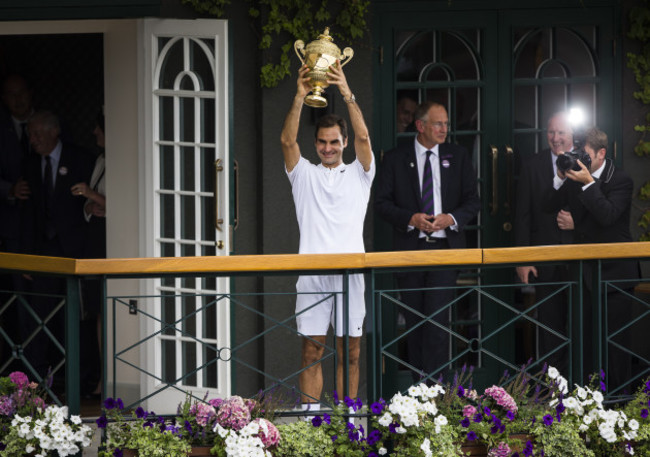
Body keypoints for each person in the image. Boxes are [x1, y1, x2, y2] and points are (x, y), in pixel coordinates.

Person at [280, 62, 374, 411]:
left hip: (351, 274)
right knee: (311, 350)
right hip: (313, 274)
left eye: (334, 142)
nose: (328, 148)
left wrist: (347, 92)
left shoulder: (361, 173)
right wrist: (300, 95)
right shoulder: (303, 174)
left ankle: (348, 419)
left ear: (344, 142)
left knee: (351, 353)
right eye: (322, 142)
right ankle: (310, 424)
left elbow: (365, 137)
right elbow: (287, 140)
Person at [375, 101, 480, 383]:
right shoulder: (396, 159)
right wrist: (410, 218)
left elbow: (473, 200)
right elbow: (381, 204)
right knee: (414, 325)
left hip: (445, 252)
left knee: (436, 324)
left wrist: (452, 218)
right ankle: (418, 392)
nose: (445, 129)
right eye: (438, 124)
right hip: (410, 251)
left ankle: (437, 392)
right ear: (421, 126)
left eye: (446, 123)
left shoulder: (457, 155)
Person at [541, 126, 640, 388]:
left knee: (614, 348)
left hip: (615, 277)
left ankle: (617, 406)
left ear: (601, 153)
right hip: (583, 276)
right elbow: (547, 206)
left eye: (585, 155)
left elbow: (608, 216)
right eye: (578, 154)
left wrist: (588, 183)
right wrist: (561, 177)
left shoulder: (620, 180)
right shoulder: (574, 178)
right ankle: (584, 406)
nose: (581, 161)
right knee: (583, 346)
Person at [21, 110, 93, 380]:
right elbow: (28, 215)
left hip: (76, 251)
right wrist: (26, 257)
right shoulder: (29, 164)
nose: (33, 139)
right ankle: (37, 380)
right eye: (30, 135)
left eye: (38, 134)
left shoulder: (80, 158)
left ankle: (79, 380)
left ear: (54, 132)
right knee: (40, 315)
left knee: (76, 317)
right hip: (43, 253)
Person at [514, 112, 576, 372]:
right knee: (550, 327)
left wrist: (578, 223)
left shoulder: (587, 161)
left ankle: (583, 388)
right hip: (545, 260)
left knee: (580, 325)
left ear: (572, 134)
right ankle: (554, 391)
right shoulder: (532, 164)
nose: (555, 138)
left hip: (580, 257)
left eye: (561, 132)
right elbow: (522, 214)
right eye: (551, 132)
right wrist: (522, 258)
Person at [71, 111, 106, 397]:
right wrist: (89, 205)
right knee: (96, 310)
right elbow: (91, 206)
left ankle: (109, 378)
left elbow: (124, 201)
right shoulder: (100, 160)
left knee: (108, 310)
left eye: (98, 128)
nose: (94, 132)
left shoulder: (123, 160)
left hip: (113, 242)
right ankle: (101, 378)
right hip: (94, 239)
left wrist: (92, 196)